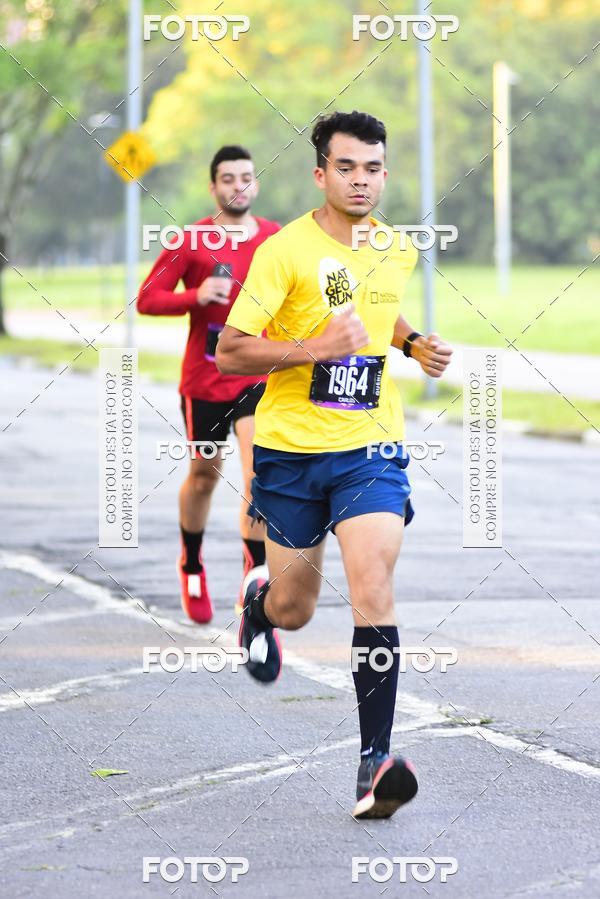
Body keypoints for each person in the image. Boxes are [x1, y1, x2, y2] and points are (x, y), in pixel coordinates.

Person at [216, 111, 453, 818]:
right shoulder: (283, 252)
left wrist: (411, 343)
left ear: (385, 173)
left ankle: (374, 763)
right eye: (346, 167)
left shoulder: (395, 248)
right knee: (296, 608)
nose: (360, 180)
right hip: (291, 452)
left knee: (372, 581)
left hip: (370, 448)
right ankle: (259, 606)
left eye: (372, 168)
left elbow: (377, 316)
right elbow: (231, 350)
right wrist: (314, 348)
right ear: (321, 173)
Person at [138, 146, 280, 624]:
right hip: (204, 380)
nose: (238, 186)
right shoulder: (191, 240)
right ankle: (192, 562)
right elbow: (147, 299)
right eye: (228, 178)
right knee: (204, 476)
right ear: (213, 186)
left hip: (256, 376)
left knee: (259, 475)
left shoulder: (275, 239)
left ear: (256, 182)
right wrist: (195, 296)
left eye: (246, 176)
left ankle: (253, 577)